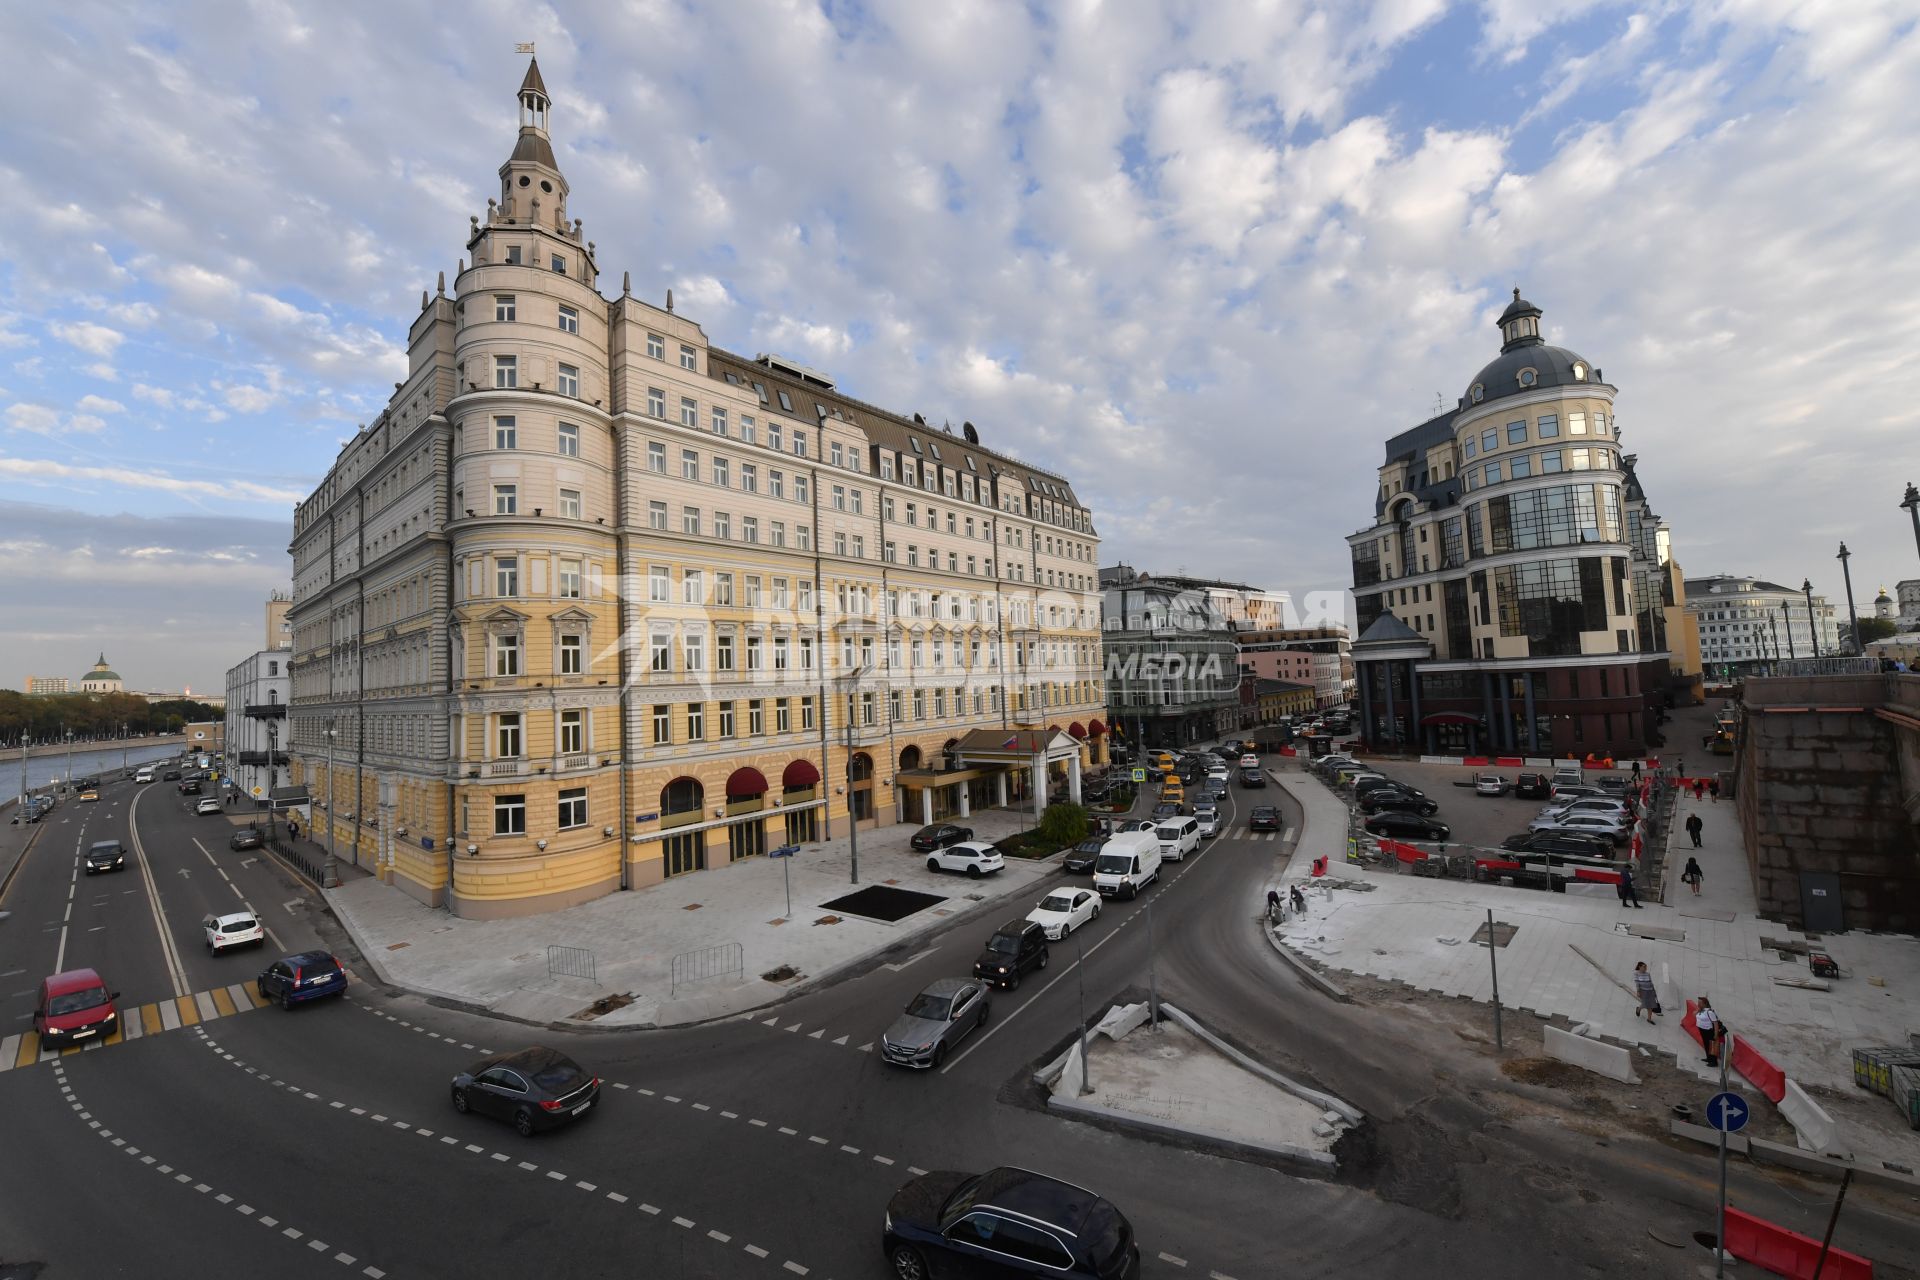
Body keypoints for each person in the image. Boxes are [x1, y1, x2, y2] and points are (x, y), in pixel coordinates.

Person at [1696, 997, 1723, 1066]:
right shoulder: (1701, 1010)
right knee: (1706, 1045)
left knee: (1712, 1046)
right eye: (1698, 1002)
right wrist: (1698, 1010)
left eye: (1700, 1003)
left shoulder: (1710, 1012)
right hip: (1702, 1030)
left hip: (1709, 1031)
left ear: (1704, 1004)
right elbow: (1694, 1015)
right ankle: (1708, 1058)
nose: (1698, 1004)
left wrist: (1715, 1034)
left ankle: (1714, 1062)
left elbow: (1715, 1023)